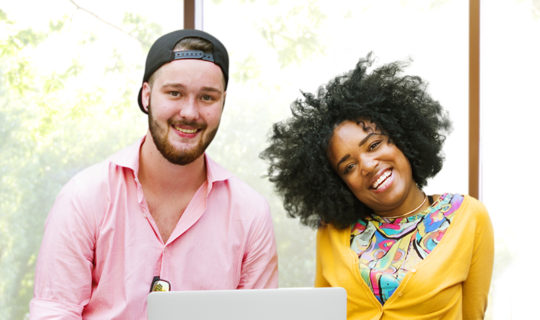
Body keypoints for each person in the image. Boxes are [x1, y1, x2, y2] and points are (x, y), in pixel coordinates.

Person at [30, 29, 278, 319]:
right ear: (146, 95)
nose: (189, 112)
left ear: (223, 102)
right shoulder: (83, 197)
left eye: (207, 98)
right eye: (175, 93)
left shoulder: (251, 214)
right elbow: (55, 312)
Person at [261, 54, 493, 319]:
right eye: (348, 166)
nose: (368, 166)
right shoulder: (332, 232)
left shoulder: (468, 217)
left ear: (403, 138)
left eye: (374, 145)